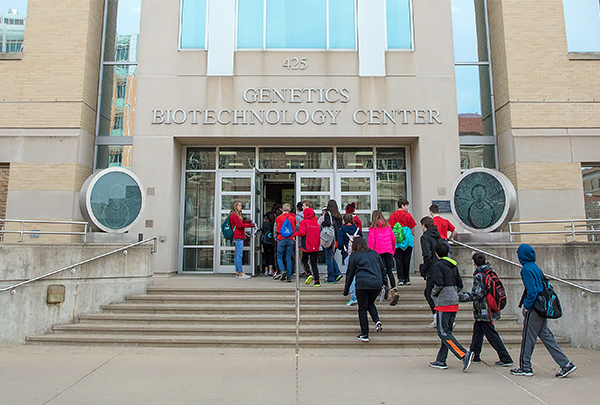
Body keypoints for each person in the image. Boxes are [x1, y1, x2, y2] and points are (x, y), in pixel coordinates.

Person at [510, 244, 577, 378]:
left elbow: (532, 291)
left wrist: (527, 306)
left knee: (528, 339)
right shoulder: (536, 268)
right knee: (547, 337)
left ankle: (525, 367)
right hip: (542, 308)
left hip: (534, 309)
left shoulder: (526, 270)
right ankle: (565, 364)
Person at [458, 253, 513, 366]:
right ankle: (474, 355)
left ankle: (505, 357)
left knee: (491, 334)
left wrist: (459, 297)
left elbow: (477, 294)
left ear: (474, 263)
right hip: (488, 309)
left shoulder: (479, 275)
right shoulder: (490, 272)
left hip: (484, 310)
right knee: (477, 332)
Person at [428, 242, 474, 372]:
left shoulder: (438, 265)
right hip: (454, 301)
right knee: (447, 332)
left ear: (436, 254)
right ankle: (441, 360)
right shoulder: (454, 265)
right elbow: (460, 284)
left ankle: (464, 354)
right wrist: (453, 293)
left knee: (442, 332)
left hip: (443, 303)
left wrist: (433, 294)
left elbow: (438, 283)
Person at [343, 237, 387, 342]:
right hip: (376, 283)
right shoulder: (374, 254)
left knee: (362, 308)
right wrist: (385, 283)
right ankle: (376, 320)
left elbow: (350, 273)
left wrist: (346, 289)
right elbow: (382, 269)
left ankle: (365, 333)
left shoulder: (354, 256)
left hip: (362, 284)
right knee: (370, 303)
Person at [368, 210, 398, 306]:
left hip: (378, 252)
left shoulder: (373, 228)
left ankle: (383, 288)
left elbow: (371, 241)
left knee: (380, 271)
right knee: (389, 271)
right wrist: (392, 251)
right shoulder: (388, 227)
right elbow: (393, 239)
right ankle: (394, 290)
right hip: (388, 250)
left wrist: (371, 253)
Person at [420, 216, 443, 327]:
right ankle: (442, 317)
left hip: (431, 268)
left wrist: (424, 268)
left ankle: (437, 317)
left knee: (429, 293)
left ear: (424, 225)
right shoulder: (438, 235)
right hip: (440, 266)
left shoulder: (425, 237)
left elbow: (427, 254)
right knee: (436, 293)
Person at [388, 198, 417, 286]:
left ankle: (400, 279)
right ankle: (407, 278)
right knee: (407, 259)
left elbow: (389, 227)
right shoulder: (408, 215)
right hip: (407, 239)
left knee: (398, 259)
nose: (407, 207)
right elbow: (412, 228)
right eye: (406, 205)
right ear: (402, 205)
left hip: (397, 240)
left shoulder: (393, 215)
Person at [292, 207, 321, 287]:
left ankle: (308, 273)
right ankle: (317, 281)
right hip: (315, 246)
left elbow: (302, 232)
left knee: (304, 260)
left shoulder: (303, 222)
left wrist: (294, 234)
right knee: (314, 263)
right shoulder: (316, 224)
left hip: (307, 245)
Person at [339, 213, 363, 306]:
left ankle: (354, 296)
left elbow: (340, 244)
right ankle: (360, 295)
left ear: (344, 220)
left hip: (348, 255)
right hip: (358, 254)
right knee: (358, 275)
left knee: (351, 276)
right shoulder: (357, 229)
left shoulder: (342, 230)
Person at [229, 200, 254, 279]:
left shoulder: (234, 215)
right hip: (238, 236)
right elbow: (240, 225)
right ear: (236, 206)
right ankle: (240, 272)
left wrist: (247, 221)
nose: (241, 207)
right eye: (239, 205)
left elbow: (240, 223)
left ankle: (237, 271)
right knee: (239, 255)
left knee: (237, 255)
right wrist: (251, 225)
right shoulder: (234, 215)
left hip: (237, 236)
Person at [320, 199, 343, 284]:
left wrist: (323, 223)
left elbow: (327, 224)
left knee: (328, 258)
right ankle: (337, 273)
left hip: (329, 239)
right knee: (331, 257)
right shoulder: (339, 216)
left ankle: (331, 277)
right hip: (336, 239)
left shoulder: (328, 214)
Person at [274, 203, 297, 283]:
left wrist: (275, 238)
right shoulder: (293, 218)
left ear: (282, 210)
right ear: (289, 209)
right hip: (290, 239)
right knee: (289, 257)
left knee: (279, 256)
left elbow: (275, 229)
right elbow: (296, 228)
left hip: (281, 238)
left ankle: (282, 270)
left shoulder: (278, 218)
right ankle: (289, 275)